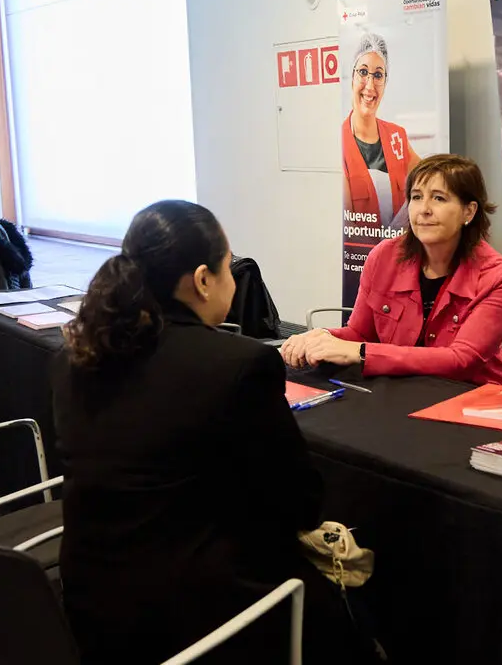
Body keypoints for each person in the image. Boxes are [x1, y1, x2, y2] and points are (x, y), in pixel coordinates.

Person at [53, 200, 364, 665]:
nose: (233, 282)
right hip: (200, 616)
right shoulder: (237, 365)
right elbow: (299, 502)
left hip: (90, 605)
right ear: (202, 280)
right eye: (228, 267)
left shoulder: (73, 357)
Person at [283, 154, 502, 385]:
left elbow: (462, 360)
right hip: (402, 391)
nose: (424, 209)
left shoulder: (499, 277)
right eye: (416, 197)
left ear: (469, 211)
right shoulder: (384, 256)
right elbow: (360, 334)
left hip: (471, 398)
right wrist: (322, 338)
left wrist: (362, 353)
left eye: (438, 198)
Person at [342, 31, 420, 228]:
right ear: (351, 76)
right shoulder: (338, 143)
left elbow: (429, 178)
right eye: (363, 72)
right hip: (360, 256)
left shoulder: (397, 137)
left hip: (400, 252)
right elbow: (347, 228)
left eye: (378, 75)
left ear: (385, 82)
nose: (370, 86)